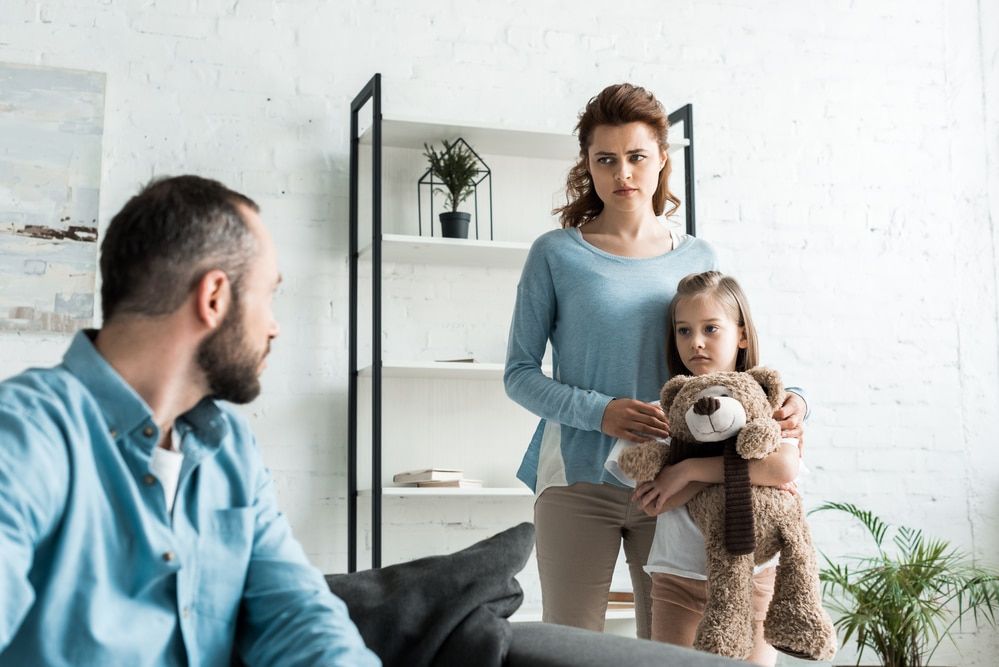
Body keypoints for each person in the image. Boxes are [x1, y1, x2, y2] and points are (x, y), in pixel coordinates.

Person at [0, 176, 379, 666]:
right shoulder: (25, 435)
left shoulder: (232, 451)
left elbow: (300, 618)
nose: (274, 325)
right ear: (215, 297)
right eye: (268, 295)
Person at [503, 83, 808, 639]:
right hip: (576, 479)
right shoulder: (556, 253)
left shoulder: (699, 256)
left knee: (668, 650)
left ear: (662, 159)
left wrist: (794, 401)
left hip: (675, 485)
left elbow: (732, 364)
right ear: (588, 166)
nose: (624, 173)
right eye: (606, 159)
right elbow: (519, 374)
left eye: (637, 156)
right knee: (570, 647)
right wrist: (602, 412)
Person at [625, 270, 801, 666]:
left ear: (741, 334)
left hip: (753, 577)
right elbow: (655, 500)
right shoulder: (664, 410)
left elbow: (782, 467)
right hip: (676, 579)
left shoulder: (765, 404)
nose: (696, 342)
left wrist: (687, 471)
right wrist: (742, 468)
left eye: (711, 328)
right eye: (683, 331)